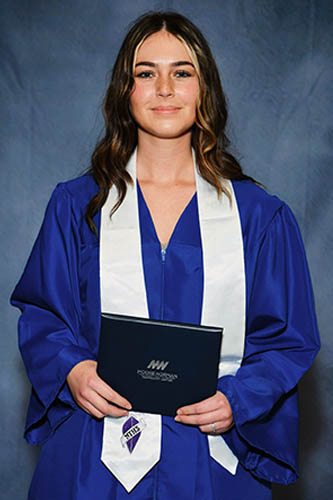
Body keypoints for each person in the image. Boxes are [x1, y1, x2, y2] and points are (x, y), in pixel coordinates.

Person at [11, 10, 320, 500]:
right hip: (95, 455)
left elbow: (289, 339)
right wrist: (72, 368)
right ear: (124, 90)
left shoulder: (259, 217)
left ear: (205, 90)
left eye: (182, 72)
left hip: (209, 454)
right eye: (145, 73)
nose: (164, 88)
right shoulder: (78, 205)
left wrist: (238, 401)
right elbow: (44, 315)